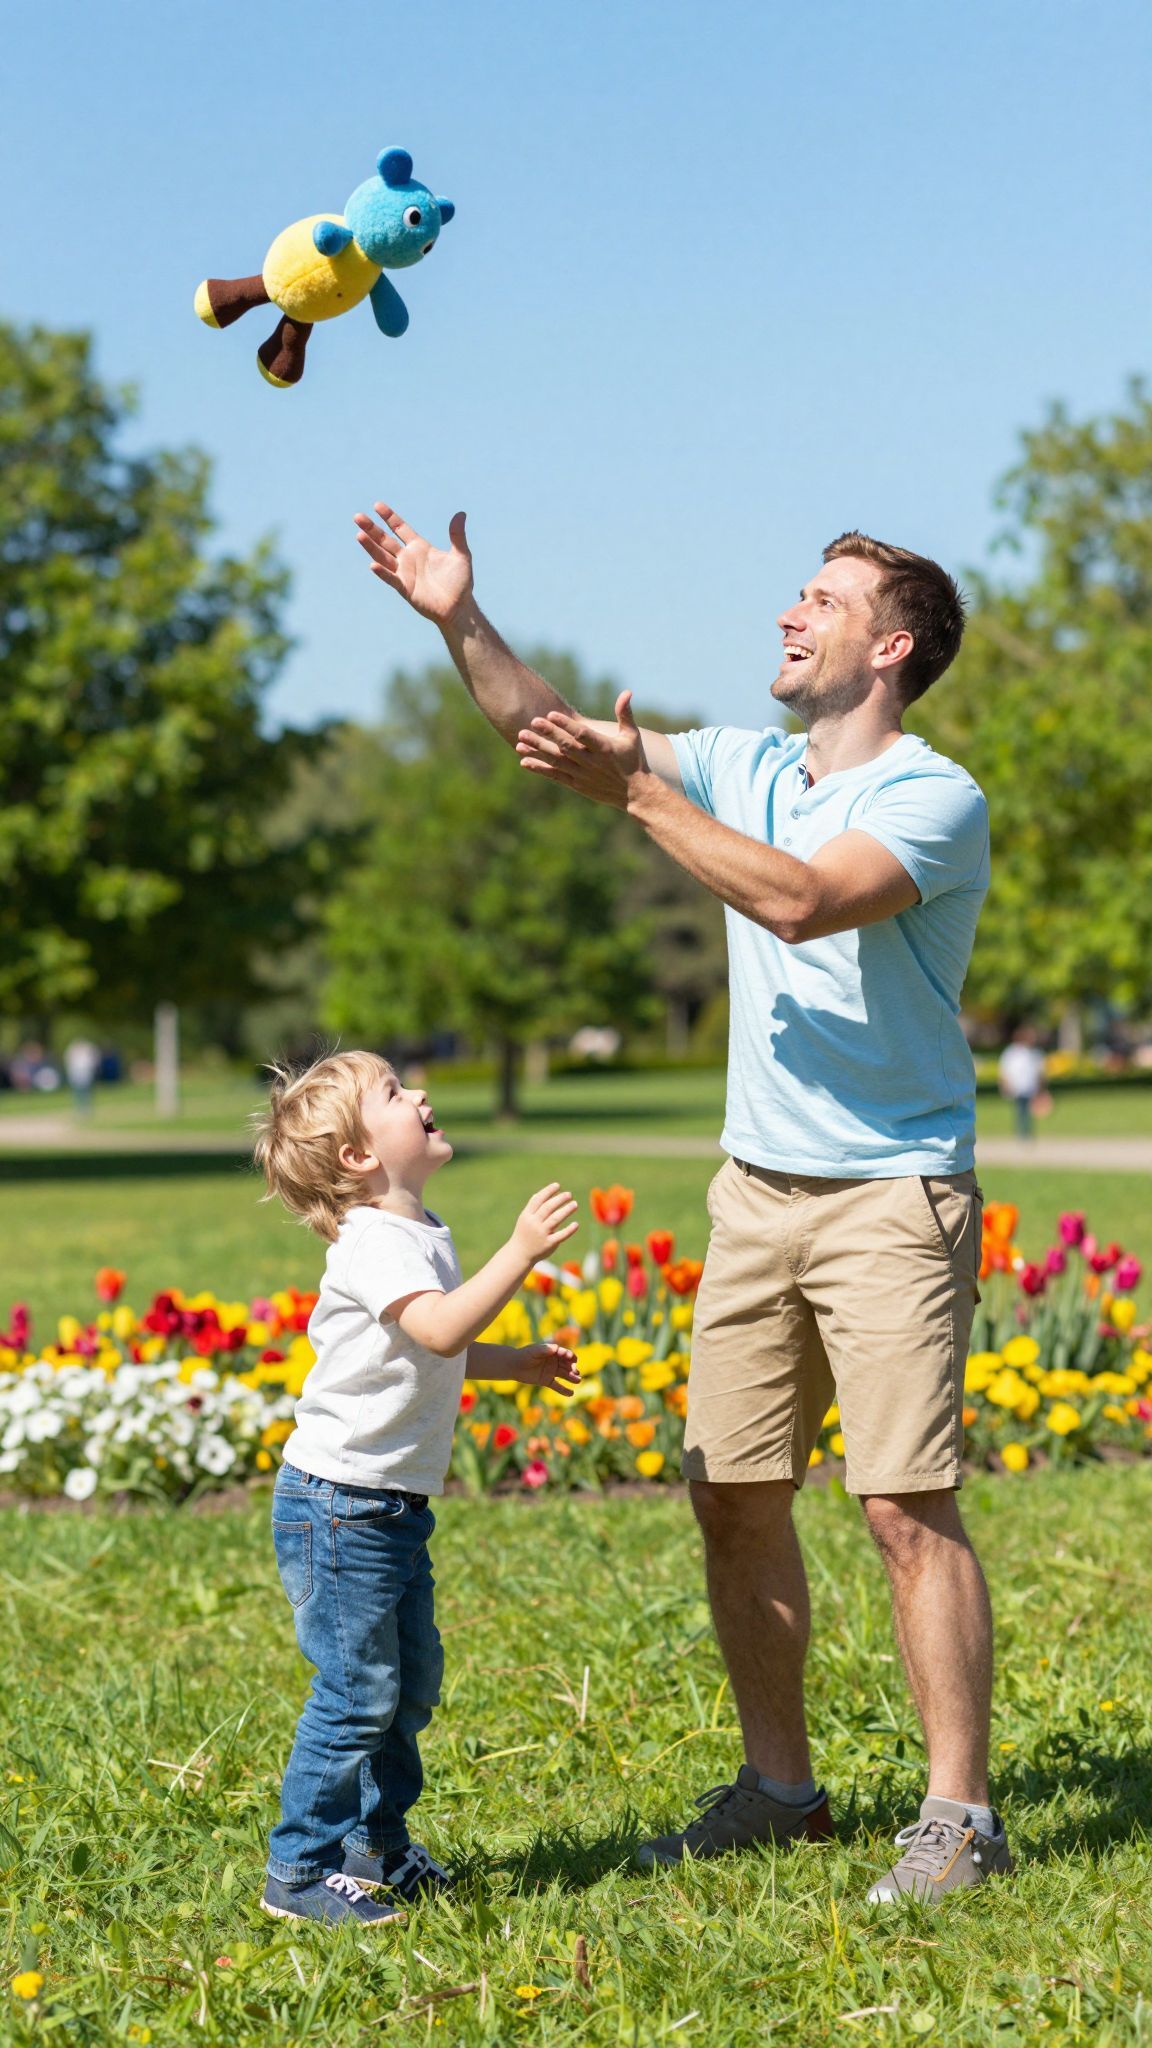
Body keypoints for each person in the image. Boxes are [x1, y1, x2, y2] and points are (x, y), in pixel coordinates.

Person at [354, 503, 1008, 1905]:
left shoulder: (931, 797)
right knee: (732, 1496)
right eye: (797, 592)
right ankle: (783, 1792)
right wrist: (460, 618)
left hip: (895, 1190)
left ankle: (960, 1815)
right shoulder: (744, 762)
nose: (790, 612)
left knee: (904, 1506)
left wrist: (646, 796)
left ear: (889, 646)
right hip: (756, 1192)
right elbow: (548, 728)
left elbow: (799, 904)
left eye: (821, 600)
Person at [252, 1049, 581, 1927]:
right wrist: (520, 1251)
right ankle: (299, 1870)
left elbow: (435, 1345)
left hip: (388, 1508)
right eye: (396, 1093)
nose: (422, 1093)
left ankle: (378, 1849)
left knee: (409, 1685)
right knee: (357, 1691)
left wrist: (518, 1363)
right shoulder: (371, 1241)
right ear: (359, 1158)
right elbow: (436, 1327)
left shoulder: (420, 1231)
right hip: (340, 1505)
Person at [998, 1024, 1049, 1140]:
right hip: (1017, 1088)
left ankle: (1027, 1132)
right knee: (1020, 1111)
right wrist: (1005, 1085)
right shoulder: (1011, 1053)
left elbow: (1040, 1072)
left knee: (1030, 1111)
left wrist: (1042, 1088)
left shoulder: (1035, 1053)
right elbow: (1005, 1071)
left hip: (1031, 1088)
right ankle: (1021, 1133)